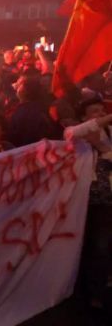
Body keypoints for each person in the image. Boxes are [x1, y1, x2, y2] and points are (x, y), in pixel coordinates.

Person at [64, 98, 112, 311]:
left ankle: (96, 292)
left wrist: (102, 147)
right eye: (95, 111)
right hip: (79, 202)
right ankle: (74, 287)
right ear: (84, 116)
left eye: (103, 111)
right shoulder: (74, 134)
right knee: (78, 244)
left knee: (101, 247)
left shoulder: (109, 134)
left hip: (105, 202)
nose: (101, 115)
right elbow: (76, 132)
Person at [8, 77, 56, 146]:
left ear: (25, 90)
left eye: (19, 85)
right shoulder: (44, 106)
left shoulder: (24, 111)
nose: (16, 87)